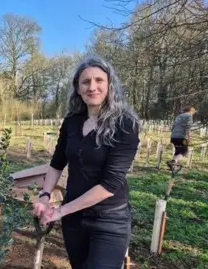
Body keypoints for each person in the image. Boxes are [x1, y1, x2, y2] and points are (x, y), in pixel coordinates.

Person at [32, 55, 140, 268]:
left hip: (109, 219)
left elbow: (110, 185)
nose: (92, 87)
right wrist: (45, 196)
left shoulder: (125, 124)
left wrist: (61, 210)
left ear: (109, 84)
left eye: (99, 80)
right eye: (86, 81)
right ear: (78, 88)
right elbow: (56, 164)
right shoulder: (72, 122)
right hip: (74, 220)